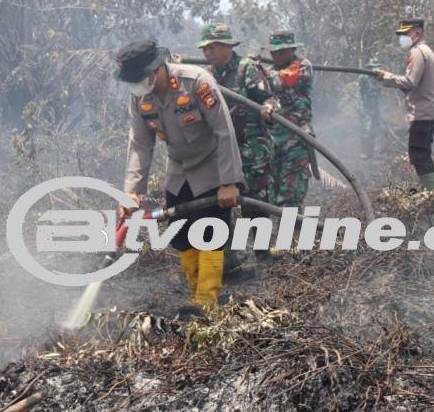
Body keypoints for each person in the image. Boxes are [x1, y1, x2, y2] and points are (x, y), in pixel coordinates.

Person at [116, 40, 244, 313]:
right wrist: (131, 191)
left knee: (210, 232)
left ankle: (207, 299)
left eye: (139, 78)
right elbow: (140, 143)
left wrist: (229, 182)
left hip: (212, 167)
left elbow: (224, 132)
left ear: (155, 70)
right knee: (182, 235)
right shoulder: (140, 97)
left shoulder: (197, 82)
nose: (136, 85)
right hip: (179, 170)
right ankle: (197, 293)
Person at [198, 23, 278, 204]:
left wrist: (269, 108)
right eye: (204, 49)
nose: (207, 53)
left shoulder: (247, 68)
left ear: (227, 46)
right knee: (218, 209)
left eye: (212, 47)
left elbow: (269, 99)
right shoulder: (205, 76)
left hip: (252, 154)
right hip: (221, 156)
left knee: (256, 210)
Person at [373, 19, 434, 192]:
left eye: (405, 34)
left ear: (417, 33)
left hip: (421, 113)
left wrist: (386, 76)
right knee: (423, 153)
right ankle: (431, 189)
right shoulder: (429, 53)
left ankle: (432, 193)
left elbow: (410, 81)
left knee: (418, 155)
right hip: (428, 111)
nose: (402, 38)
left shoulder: (418, 52)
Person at [265, 30, 315, 209]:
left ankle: (297, 234)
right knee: (274, 192)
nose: (275, 55)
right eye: (273, 52)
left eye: (280, 51)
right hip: (274, 140)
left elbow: (285, 80)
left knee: (291, 194)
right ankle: (286, 234)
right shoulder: (269, 71)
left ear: (291, 49)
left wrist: (257, 68)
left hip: (297, 138)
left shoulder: (302, 66)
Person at [359, 57, 382, 160]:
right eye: (373, 67)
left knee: (375, 129)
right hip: (366, 108)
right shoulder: (363, 78)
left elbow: (378, 94)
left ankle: (373, 152)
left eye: (376, 67)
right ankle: (364, 152)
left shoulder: (378, 79)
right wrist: (361, 108)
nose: (375, 70)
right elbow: (359, 94)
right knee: (366, 130)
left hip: (375, 108)